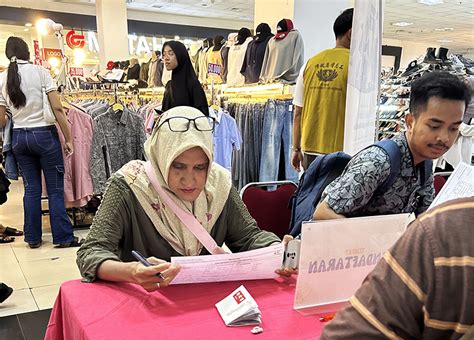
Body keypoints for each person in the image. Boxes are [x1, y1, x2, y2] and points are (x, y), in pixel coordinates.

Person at [77, 106, 281, 291]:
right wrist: (132, 271)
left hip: (209, 304)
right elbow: (91, 253)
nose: (189, 180)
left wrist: (278, 250)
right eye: (178, 166)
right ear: (162, 157)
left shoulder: (218, 183)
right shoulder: (129, 185)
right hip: (148, 305)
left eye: (200, 167)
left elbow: (248, 237)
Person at [305, 197, 474, 340]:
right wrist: (367, 239)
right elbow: (321, 212)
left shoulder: (442, 231)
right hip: (341, 257)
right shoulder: (375, 167)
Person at [314, 71, 471, 220]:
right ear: (410, 122)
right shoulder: (378, 162)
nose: (444, 138)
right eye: (434, 126)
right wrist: (375, 239)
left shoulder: (425, 163)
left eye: (454, 128)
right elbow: (322, 214)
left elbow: (424, 218)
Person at [0, 36, 77, 248]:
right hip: (44, 135)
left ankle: (32, 238)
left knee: (31, 189)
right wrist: (68, 138)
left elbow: (1, 120)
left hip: (19, 137)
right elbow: (58, 109)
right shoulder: (41, 72)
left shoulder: (2, 78)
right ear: (28, 53)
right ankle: (63, 237)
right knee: (54, 189)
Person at [292, 8, 353, 171]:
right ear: (351, 33)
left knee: (312, 195)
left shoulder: (309, 64)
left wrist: (295, 149)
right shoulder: (356, 66)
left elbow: (298, 112)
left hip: (309, 149)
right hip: (342, 151)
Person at [161, 41, 209, 116]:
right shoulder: (169, 86)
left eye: (171, 54)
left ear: (180, 55)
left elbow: (203, 116)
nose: (166, 58)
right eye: (164, 54)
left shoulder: (193, 84)